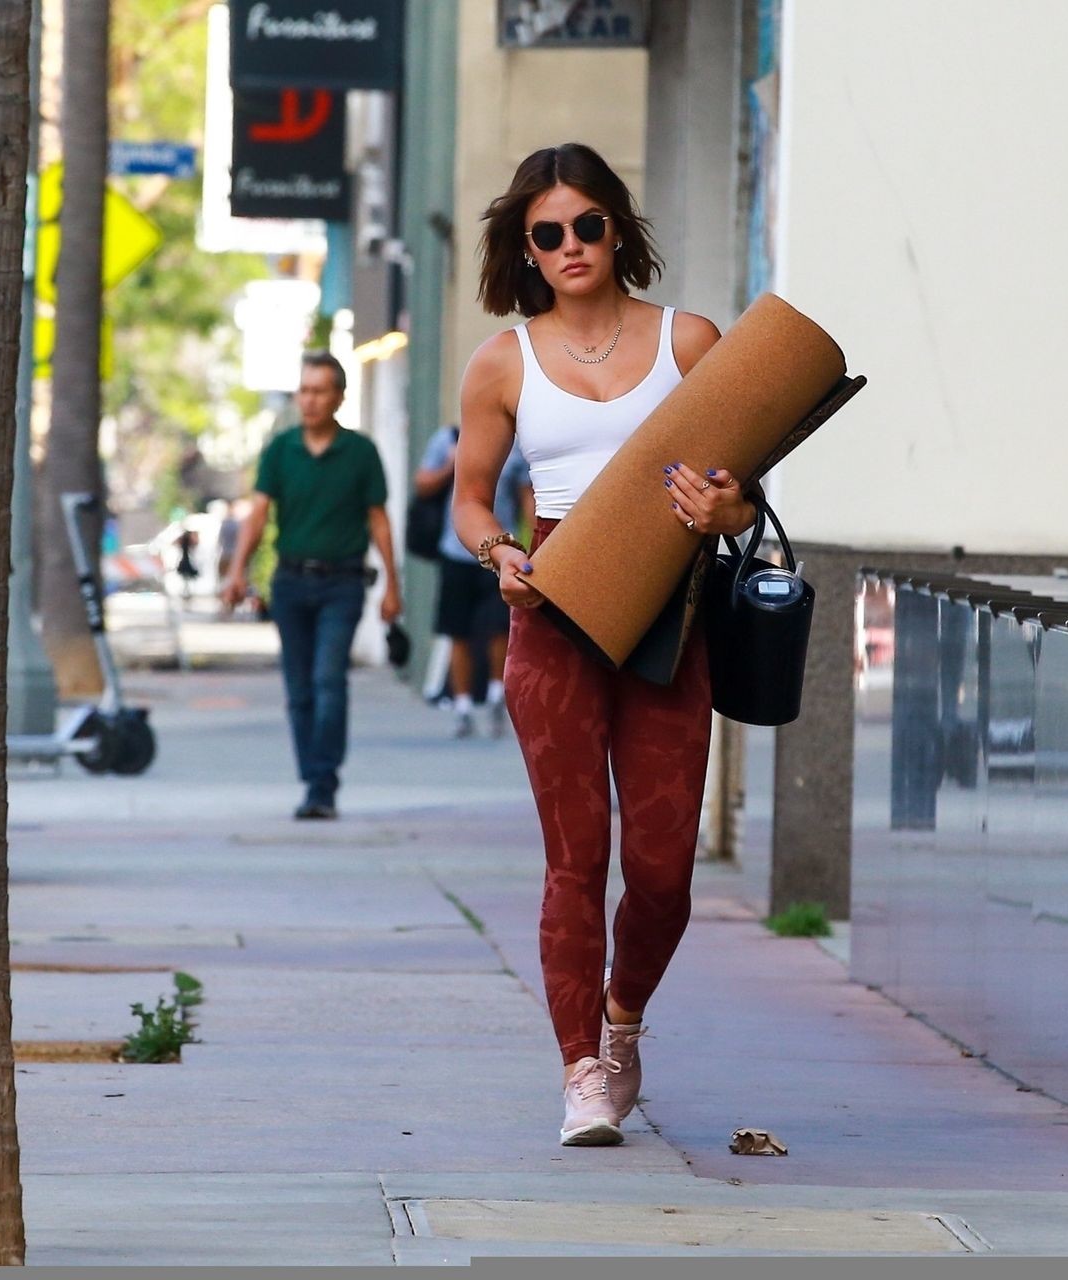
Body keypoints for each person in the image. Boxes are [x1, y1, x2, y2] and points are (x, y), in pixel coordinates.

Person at [453, 143, 758, 1147]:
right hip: (553, 608)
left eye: (588, 224)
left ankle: (623, 1018)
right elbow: (470, 499)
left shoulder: (689, 341)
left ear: (617, 228)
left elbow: (746, 487)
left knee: (664, 869)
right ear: (527, 250)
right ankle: (581, 1068)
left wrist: (727, 509)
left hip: (668, 614)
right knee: (574, 859)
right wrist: (498, 551)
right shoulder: (503, 361)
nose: (571, 245)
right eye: (549, 233)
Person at [222, 351, 402, 820]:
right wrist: (237, 570)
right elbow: (258, 514)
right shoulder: (281, 449)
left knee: (328, 679)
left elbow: (379, 520)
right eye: (304, 390)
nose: (310, 400)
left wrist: (393, 585)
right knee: (299, 690)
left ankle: (323, 784)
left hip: (342, 583)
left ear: (339, 397)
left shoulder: (360, 452)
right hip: (290, 583)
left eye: (320, 391)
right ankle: (312, 779)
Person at [414, 425, 534, 738]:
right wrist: (450, 465)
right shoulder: (447, 439)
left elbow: (526, 498)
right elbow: (422, 484)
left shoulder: (515, 446)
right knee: (458, 630)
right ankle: (463, 705)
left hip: (501, 551)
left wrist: (537, 545)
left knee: (498, 627)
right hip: (455, 550)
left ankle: (496, 696)